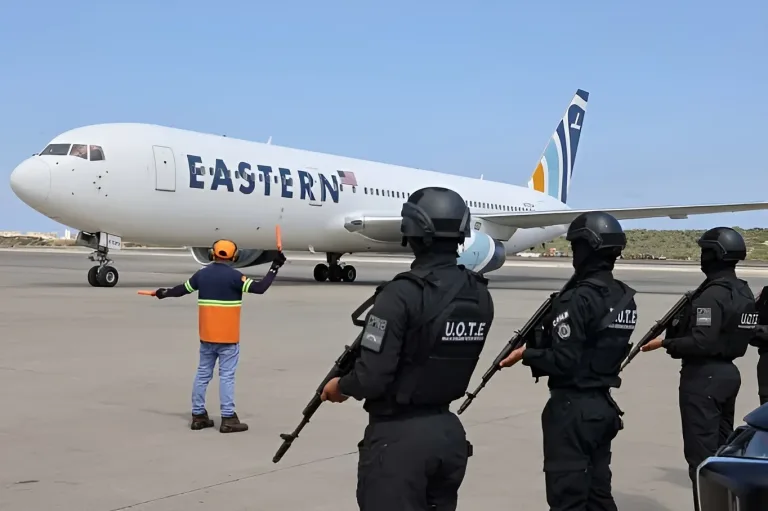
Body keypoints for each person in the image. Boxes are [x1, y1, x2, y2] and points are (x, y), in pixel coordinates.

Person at [319, 186, 494, 511]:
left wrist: (340, 386)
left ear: (411, 232)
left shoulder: (400, 295)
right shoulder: (479, 295)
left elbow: (372, 376)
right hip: (448, 435)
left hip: (400, 440)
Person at [499, 211, 638, 511]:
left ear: (587, 248)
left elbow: (564, 360)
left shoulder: (577, 299)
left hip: (573, 410)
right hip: (602, 405)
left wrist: (527, 354)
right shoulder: (625, 297)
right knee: (599, 495)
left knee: (568, 497)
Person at [640, 226, 758, 511]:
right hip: (729, 375)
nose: (702, 257)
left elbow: (701, 342)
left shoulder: (709, 297)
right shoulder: (743, 292)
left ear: (716, 255)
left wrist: (668, 344)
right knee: (722, 454)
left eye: (705, 251)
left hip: (703, 377)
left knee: (701, 459)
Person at [154, 239, 286, 433]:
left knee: (202, 375)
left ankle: (198, 416)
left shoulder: (202, 275)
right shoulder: (235, 277)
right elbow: (260, 288)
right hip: (228, 339)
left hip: (206, 337)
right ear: (235, 256)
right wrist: (275, 267)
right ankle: (228, 418)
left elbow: (181, 290)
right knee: (227, 376)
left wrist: (162, 293)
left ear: (211, 254)